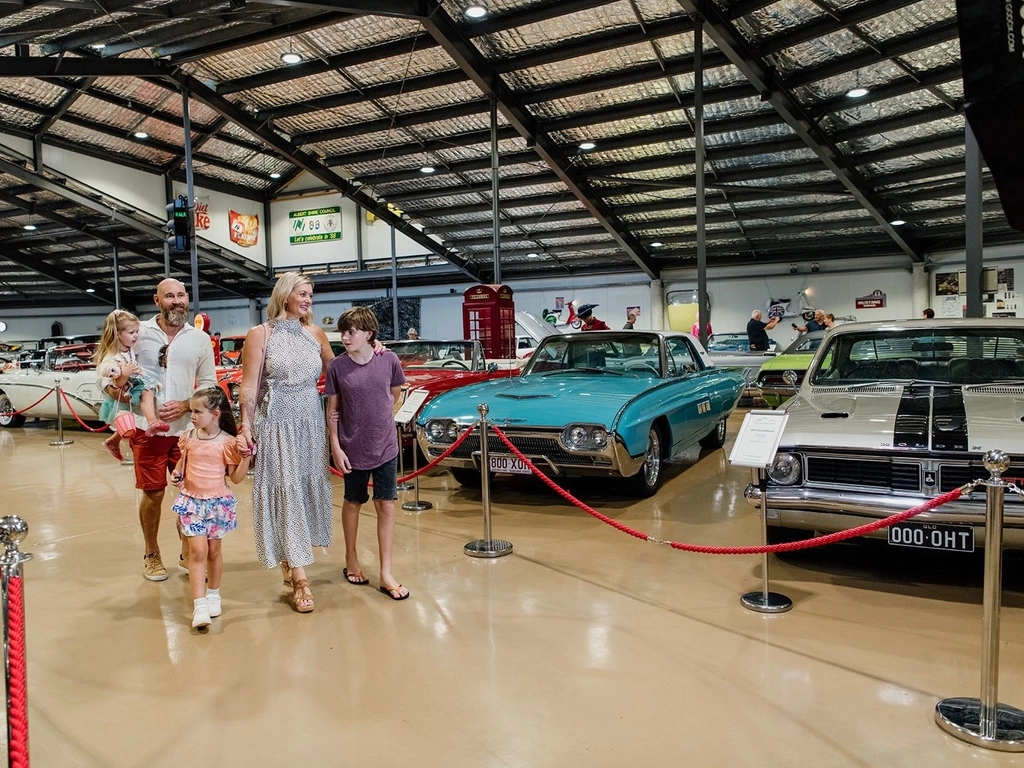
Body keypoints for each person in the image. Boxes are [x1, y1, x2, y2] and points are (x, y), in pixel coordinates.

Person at [104, 280, 216, 582]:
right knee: (153, 494)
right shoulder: (136, 332)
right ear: (158, 300)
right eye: (170, 296)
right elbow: (109, 368)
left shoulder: (199, 339)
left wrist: (185, 404)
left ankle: (187, 552)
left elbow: (210, 383)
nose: (177, 301)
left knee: (191, 494)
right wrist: (118, 392)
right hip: (146, 430)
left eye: (181, 295)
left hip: (186, 432)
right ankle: (151, 554)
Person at [238, 272, 336, 614]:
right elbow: (249, 385)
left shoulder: (315, 333)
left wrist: (372, 349)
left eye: (311, 294)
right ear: (284, 296)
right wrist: (245, 425)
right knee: (286, 491)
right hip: (276, 422)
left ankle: (292, 555)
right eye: (303, 293)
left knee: (304, 491)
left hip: (310, 421)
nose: (308, 299)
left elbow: (338, 373)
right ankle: (299, 577)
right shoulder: (260, 334)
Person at [325, 307, 410, 601]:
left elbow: (394, 392)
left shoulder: (389, 360)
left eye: (352, 332)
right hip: (352, 448)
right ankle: (351, 557)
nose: (345, 337)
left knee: (386, 505)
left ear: (368, 335)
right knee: (353, 501)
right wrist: (335, 447)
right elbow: (332, 409)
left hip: (385, 446)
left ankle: (387, 571)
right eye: (343, 332)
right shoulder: (337, 367)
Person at [169, 388, 249, 630]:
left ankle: (214, 594)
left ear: (214, 414)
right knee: (198, 551)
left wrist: (246, 457)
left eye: (197, 411)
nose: (192, 416)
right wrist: (176, 473)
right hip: (191, 502)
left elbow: (235, 478)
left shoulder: (227, 443)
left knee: (214, 552)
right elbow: (181, 464)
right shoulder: (188, 437)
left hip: (216, 504)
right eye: (191, 411)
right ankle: (199, 604)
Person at [93, 309, 168, 462]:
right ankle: (152, 421)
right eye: (131, 332)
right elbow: (115, 381)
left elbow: (136, 368)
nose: (136, 335)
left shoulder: (128, 350)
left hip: (131, 382)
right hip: (125, 387)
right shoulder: (112, 356)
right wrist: (122, 373)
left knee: (132, 415)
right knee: (147, 393)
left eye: (136, 331)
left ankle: (113, 441)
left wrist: (148, 378)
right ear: (118, 334)